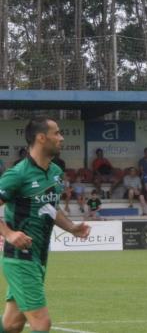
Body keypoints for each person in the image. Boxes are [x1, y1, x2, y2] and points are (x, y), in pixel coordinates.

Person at [0, 117, 90, 333]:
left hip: (39, 256)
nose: (62, 138)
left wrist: (71, 227)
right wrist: (9, 233)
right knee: (42, 323)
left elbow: (51, 208)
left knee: (12, 324)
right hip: (20, 258)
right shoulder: (18, 174)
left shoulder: (55, 173)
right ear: (41, 138)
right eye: (57, 133)